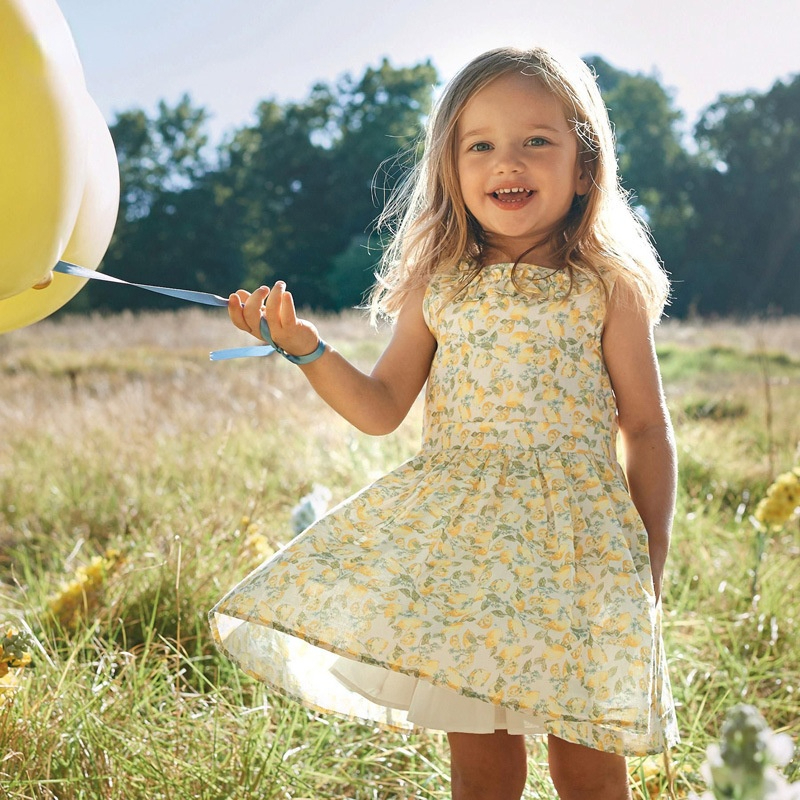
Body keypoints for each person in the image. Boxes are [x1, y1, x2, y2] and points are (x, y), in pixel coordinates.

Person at [210, 45, 679, 800]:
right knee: (483, 758)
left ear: (585, 164)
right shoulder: (443, 282)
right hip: (467, 550)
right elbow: (380, 406)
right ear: (451, 168)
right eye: (481, 144)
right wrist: (303, 348)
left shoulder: (605, 284)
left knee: (587, 755)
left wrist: (650, 549)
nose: (508, 162)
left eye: (536, 141)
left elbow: (647, 429)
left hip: (580, 547)